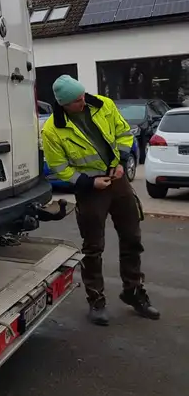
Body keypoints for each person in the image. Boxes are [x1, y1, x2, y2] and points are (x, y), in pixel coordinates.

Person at [41, 75, 160, 326]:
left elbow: (124, 133)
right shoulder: (52, 130)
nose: (83, 101)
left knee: (132, 238)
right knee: (93, 248)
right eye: (77, 100)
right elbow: (59, 167)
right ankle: (96, 301)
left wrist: (121, 161)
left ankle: (134, 291)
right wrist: (88, 183)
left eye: (83, 95)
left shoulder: (104, 104)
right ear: (63, 104)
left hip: (118, 181)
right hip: (90, 190)